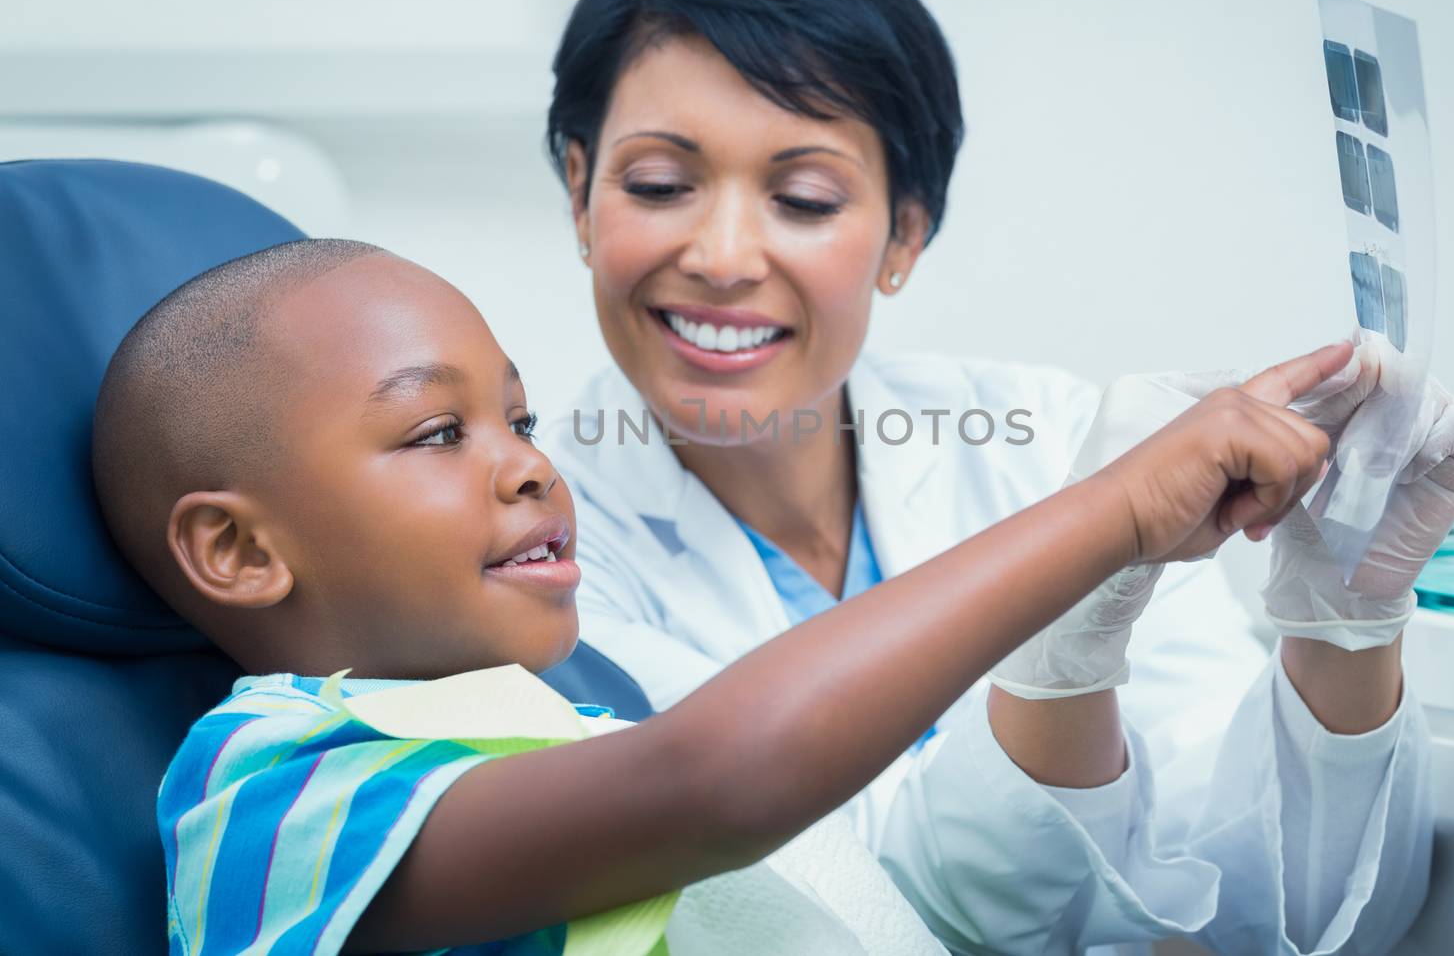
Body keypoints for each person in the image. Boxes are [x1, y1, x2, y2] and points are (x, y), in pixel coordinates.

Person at [541, 0, 1454, 954]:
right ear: (581, 195)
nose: (720, 254)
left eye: (802, 197)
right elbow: (852, 913)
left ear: (904, 232)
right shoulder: (534, 552)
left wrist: (1342, 617)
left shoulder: (1047, 434)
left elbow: (1279, 912)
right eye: (660, 184)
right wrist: (1063, 633)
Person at [93, 238, 1350, 953]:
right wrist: (1111, 512)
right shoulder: (270, 787)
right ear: (238, 550)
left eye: (521, 417)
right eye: (437, 430)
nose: (531, 460)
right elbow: (723, 777)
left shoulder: (564, 724)